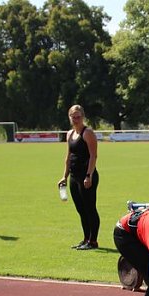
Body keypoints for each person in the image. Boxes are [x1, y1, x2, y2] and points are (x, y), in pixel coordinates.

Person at [57, 104, 100, 250]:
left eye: (78, 117)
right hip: (74, 177)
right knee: (81, 209)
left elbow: (93, 156)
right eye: (73, 117)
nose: (75, 119)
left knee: (90, 208)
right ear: (69, 118)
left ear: (83, 117)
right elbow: (68, 157)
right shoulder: (69, 134)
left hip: (86, 176)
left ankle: (93, 241)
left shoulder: (87, 133)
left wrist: (89, 175)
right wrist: (64, 176)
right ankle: (85, 239)